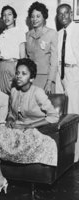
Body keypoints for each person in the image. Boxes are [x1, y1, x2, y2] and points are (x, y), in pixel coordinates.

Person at [0, 58, 59, 200]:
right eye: (17, 73)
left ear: (32, 78)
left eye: (24, 73)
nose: (19, 76)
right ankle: (0, 179)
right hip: (15, 129)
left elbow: (54, 116)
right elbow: (12, 113)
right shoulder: (14, 91)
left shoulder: (37, 92)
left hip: (32, 132)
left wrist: (29, 125)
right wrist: (10, 119)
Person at [55, 4, 79, 162]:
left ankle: (76, 155)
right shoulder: (58, 34)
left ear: (71, 14)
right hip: (60, 74)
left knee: (74, 113)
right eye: (60, 14)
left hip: (75, 73)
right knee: (61, 113)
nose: (63, 16)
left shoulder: (78, 30)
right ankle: (65, 153)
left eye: (66, 13)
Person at [26, 1, 58, 94]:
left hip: (46, 78)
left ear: (44, 17)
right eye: (32, 16)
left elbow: (54, 61)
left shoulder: (52, 33)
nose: (34, 19)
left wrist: (49, 82)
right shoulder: (28, 35)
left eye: (38, 16)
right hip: (31, 78)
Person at [0, 5, 25, 94]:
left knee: (14, 95)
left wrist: (20, 71)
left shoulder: (19, 32)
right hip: (1, 67)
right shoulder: (1, 35)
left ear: (14, 17)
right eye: (4, 15)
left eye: (9, 14)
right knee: (1, 96)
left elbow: (22, 55)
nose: (6, 17)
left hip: (14, 66)